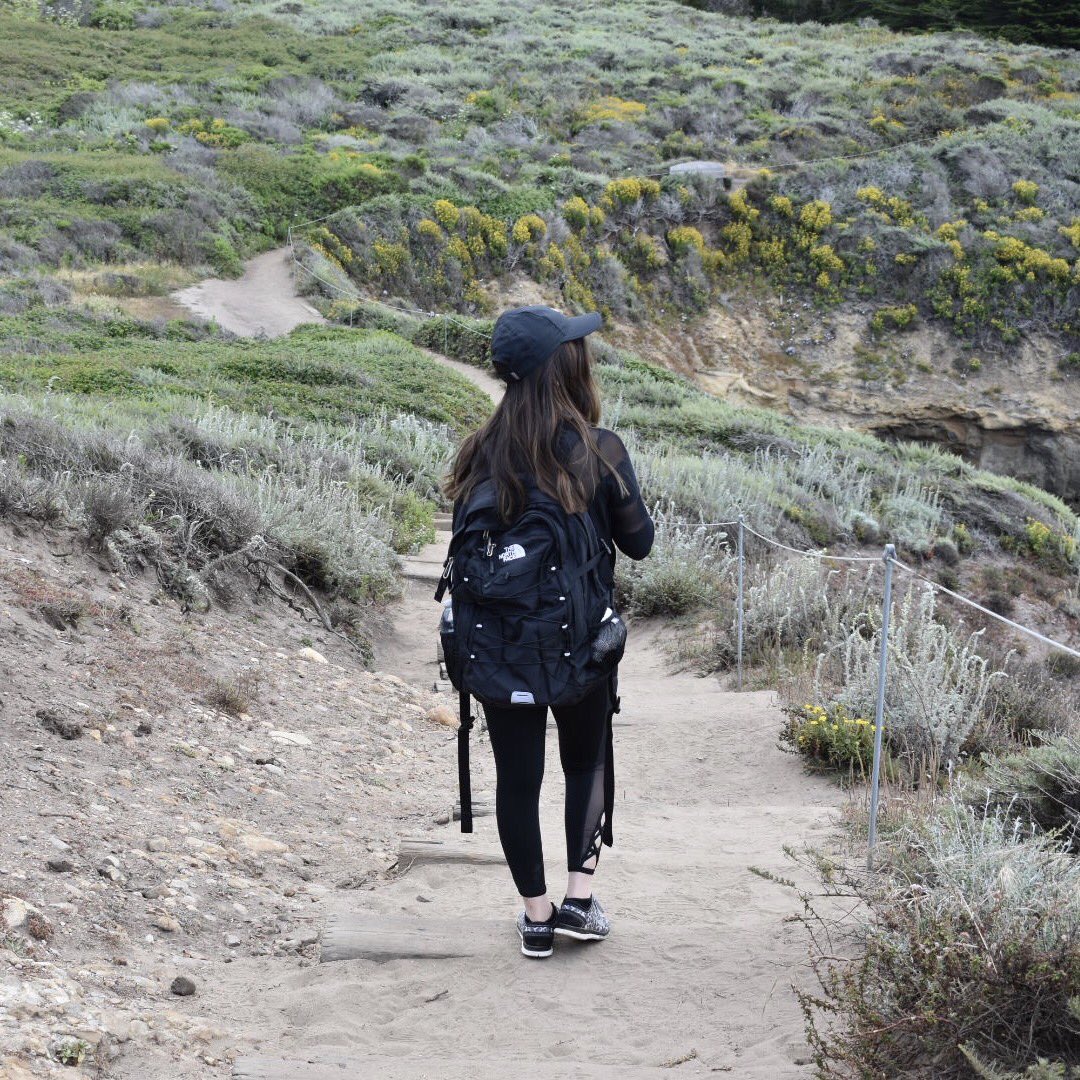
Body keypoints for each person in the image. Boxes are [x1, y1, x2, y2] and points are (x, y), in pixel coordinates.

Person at [444, 305, 654, 958]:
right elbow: (640, 543)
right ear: (563, 367)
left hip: (500, 649)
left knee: (517, 777)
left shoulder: (480, 451)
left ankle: (535, 918)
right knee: (584, 763)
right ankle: (579, 902)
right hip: (581, 645)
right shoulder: (599, 450)